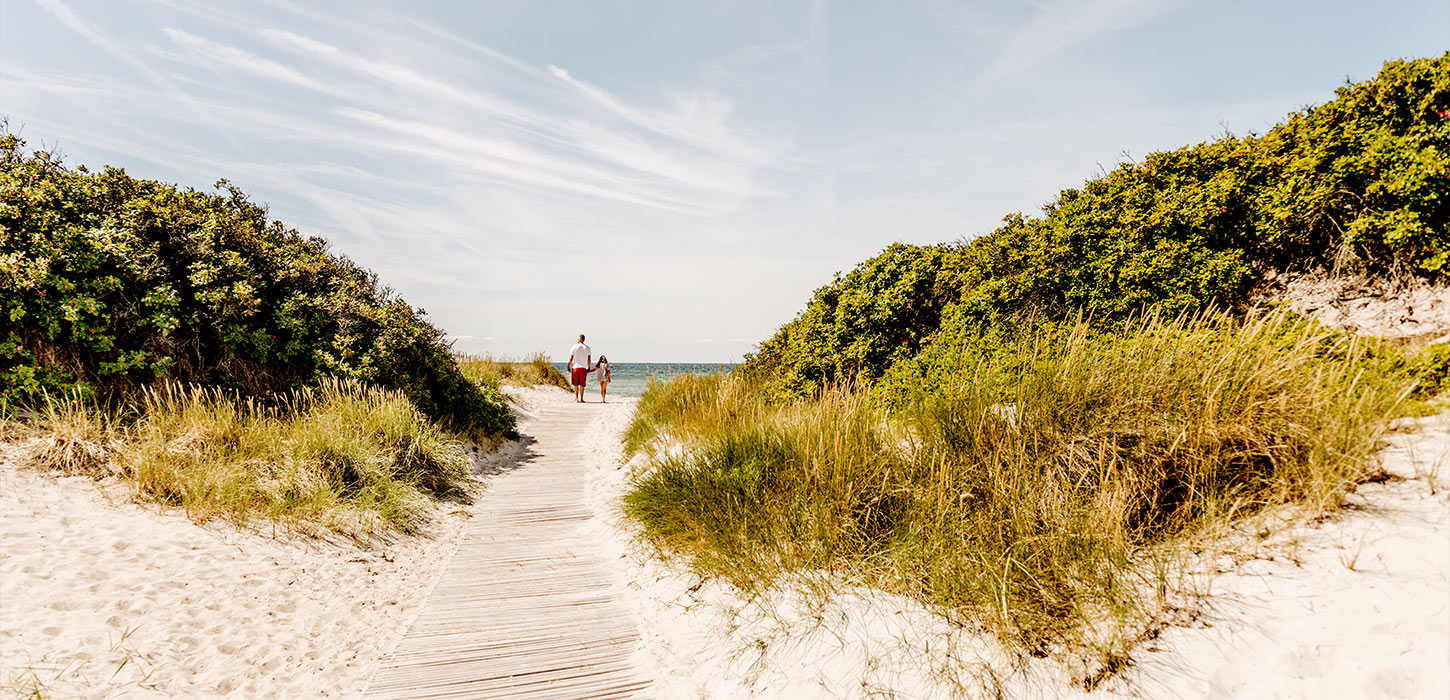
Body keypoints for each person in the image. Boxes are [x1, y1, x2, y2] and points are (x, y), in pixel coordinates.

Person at [568, 334, 591, 403]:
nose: (577, 339)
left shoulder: (574, 347)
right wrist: (589, 367)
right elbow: (589, 359)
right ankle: (581, 398)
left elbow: (571, 358)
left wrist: (568, 366)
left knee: (575, 384)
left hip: (575, 367)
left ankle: (576, 398)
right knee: (582, 384)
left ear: (580, 339)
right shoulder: (587, 348)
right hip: (583, 367)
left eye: (578, 338)